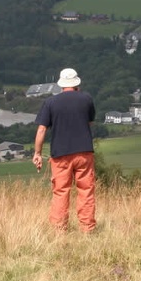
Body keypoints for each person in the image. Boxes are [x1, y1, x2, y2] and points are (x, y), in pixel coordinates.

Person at [33, 68, 97, 233]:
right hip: (84, 151)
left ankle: (59, 230)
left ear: (61, 85)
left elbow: (41, 130)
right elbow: (89, 123)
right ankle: (87, 229)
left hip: (60, 154)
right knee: (86, 190)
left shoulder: (51, 103)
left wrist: (37, 153)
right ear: (77, 84)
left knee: (61, 191)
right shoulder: (87, 99)